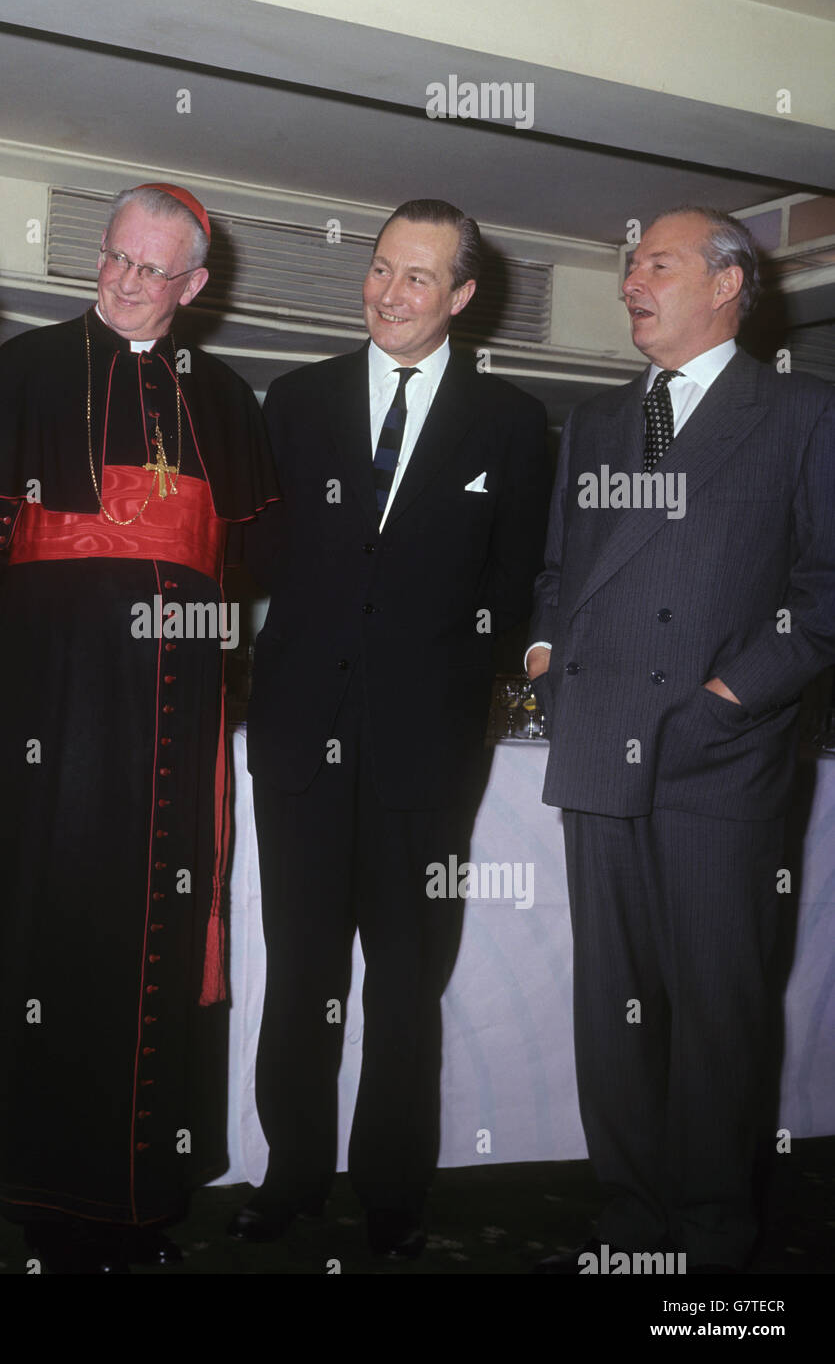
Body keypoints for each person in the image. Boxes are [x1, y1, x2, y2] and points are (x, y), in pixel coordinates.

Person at [0, 183, 278, 1272]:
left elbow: (251, 569)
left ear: (194, 285)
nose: (127, 284)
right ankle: (38, 1191)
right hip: (44, 712)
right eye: (116, 261)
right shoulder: (22, 370)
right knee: (43, 930)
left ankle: (139, 1201)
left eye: (152, 270)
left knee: (159, 943)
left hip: (174, 725)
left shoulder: (226, 399)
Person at [235, 199, 551, 1257]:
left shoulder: (510, 425)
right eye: (380, 269)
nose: (388, 292)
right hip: (298, 740)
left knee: (408, 976)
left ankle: (393, 1188)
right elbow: (258, 561)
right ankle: (290, 1174)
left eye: (418, 278)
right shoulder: (299, 399)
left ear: (462, 296)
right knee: (302, 969)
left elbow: (512, 592)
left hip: (429, 751)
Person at [528, 206, 835, 1273]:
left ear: (726, 283)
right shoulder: (599, 422)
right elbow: (563, 571)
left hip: (718, 757)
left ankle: (711, 1237)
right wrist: (541, 648)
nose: (630, 281)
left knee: (716, 1009)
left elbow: (826, 589)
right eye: (629, 263)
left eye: (656, 262)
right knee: (614, 1005)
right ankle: (631, 1219)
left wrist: (727, 697)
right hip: (598, 739)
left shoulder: (801, 412)